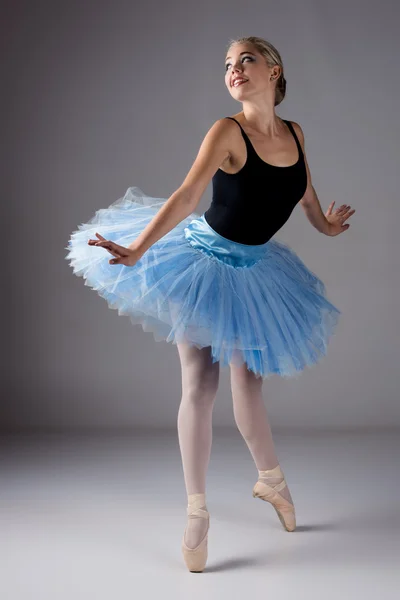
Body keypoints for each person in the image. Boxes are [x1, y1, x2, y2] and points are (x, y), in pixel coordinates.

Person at [65, 36, 355, 573]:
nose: (234, 69)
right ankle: (197, 512)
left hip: (257, 270)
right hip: (201, 263)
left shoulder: (295, 133)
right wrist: (136, 250)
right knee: (200, 383)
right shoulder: (227, 130)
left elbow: (307, 198)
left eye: (245, 59)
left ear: (274, 70)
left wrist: (329, 227)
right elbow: (186, 195)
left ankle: (271, 482)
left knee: (249, 386)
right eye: (227, 64)